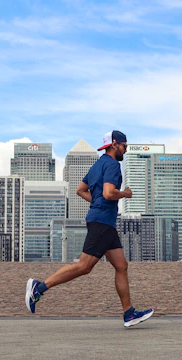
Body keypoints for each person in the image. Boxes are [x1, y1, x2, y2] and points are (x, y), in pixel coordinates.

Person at [25, 130, 154, 328]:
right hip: (102, 222)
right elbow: (109, 193)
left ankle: (129, 313)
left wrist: (98, 203)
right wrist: (125, 194)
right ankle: (38, 288)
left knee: (121, 266)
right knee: (84, 267)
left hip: (104, 222)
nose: (125, 151)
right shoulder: (112, 164)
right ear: (114, 144)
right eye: (124, 146)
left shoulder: (97, 165)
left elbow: (80, 190)